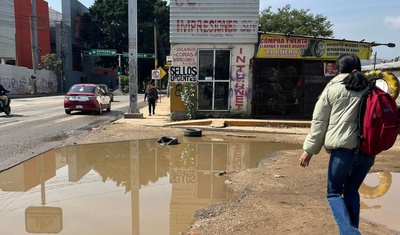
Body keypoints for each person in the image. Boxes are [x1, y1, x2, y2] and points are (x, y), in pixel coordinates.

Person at [299, 54, 374, 235]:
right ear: (357, 68)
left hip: (342, 152)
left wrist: (308, 150)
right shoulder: (370, 88)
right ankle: (351, 231)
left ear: (338, 69)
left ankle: (350, 233)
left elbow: (319, 122)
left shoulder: (332, 88)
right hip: (367, 152)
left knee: (333, 193)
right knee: (351, 191)